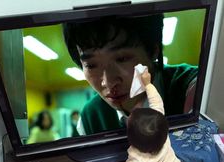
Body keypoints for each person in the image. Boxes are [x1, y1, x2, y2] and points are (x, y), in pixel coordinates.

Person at [63, 14, 198, 135]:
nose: (109, 82)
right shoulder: (91, 118)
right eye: (91, 65)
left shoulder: (194, 87)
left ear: (153, 51)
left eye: (122, 59)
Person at [125, 69, 183, 162]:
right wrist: (148, 84)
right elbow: (157, 103)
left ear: (132, 141)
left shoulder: (137, 156)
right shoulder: (163, 134)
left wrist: (128, 160)